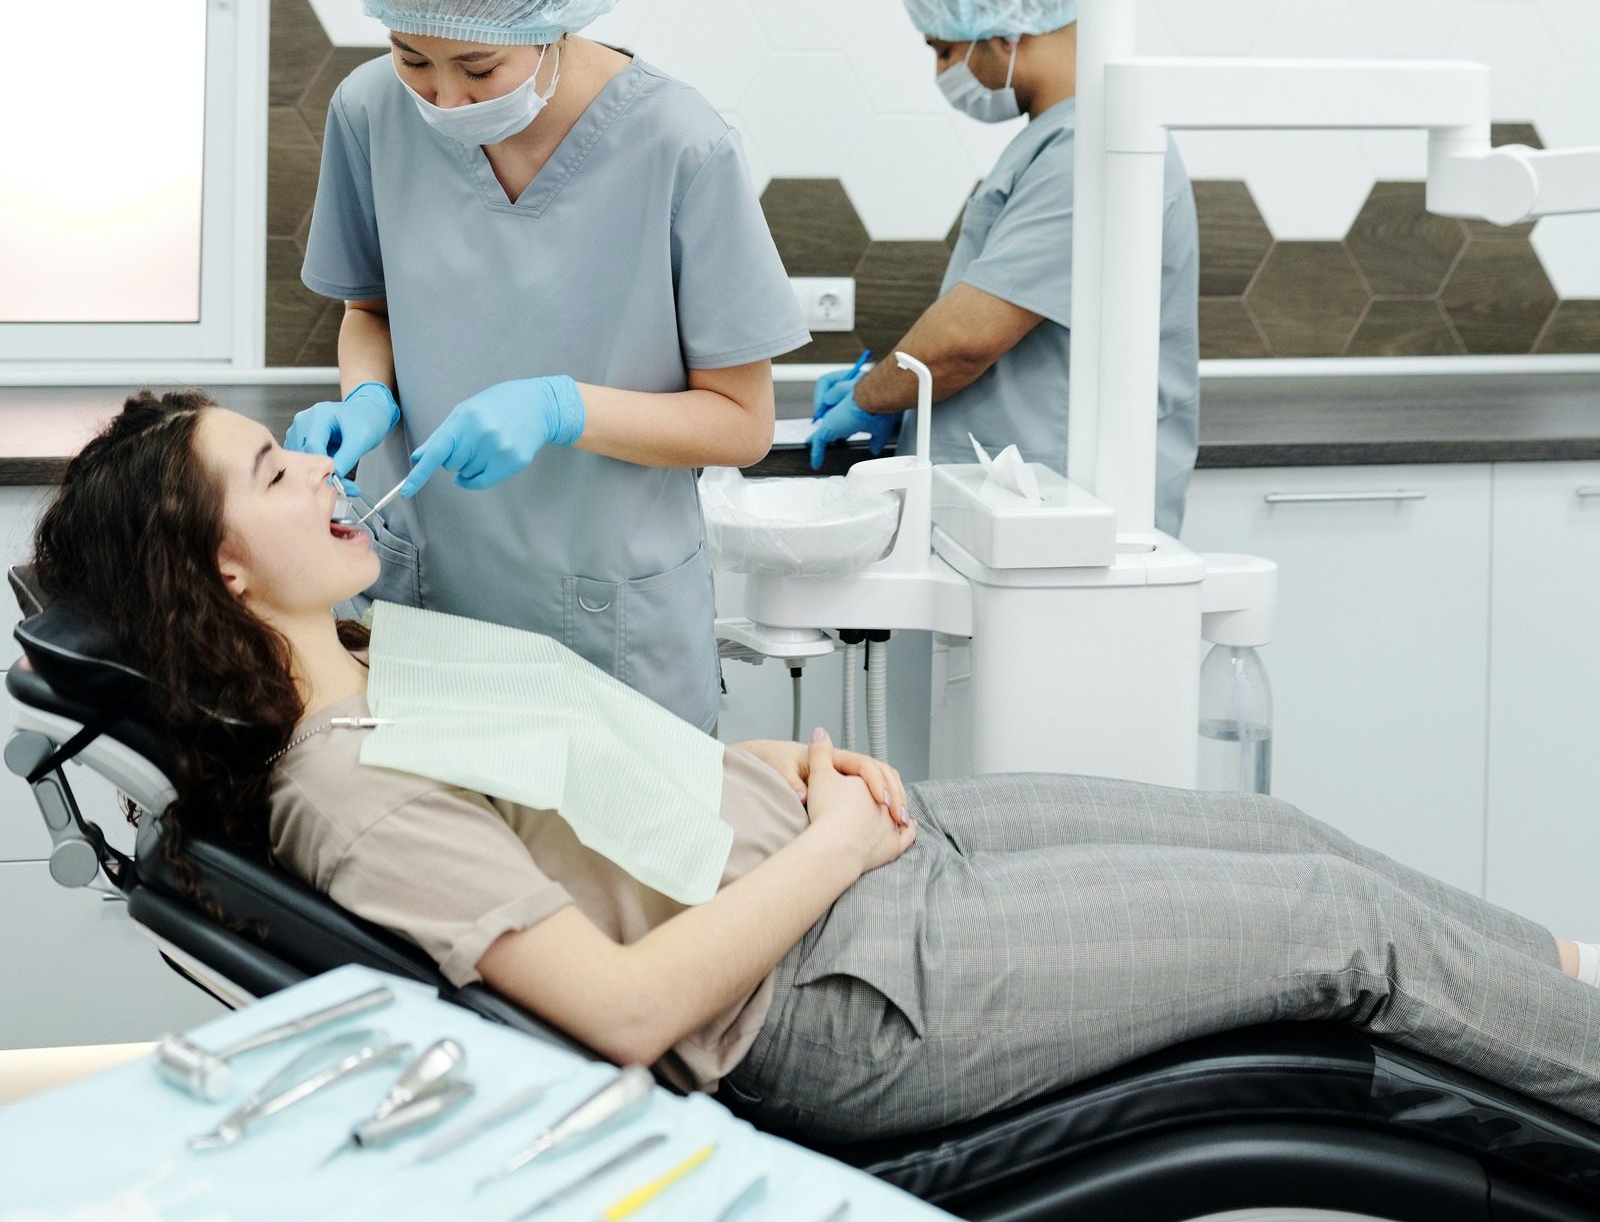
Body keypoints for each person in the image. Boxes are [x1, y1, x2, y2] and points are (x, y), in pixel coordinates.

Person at [31, 390, 1600, 1139]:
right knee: (1337, 930)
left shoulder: (372, 669)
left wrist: (776, 773)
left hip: (842, 854)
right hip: (843, 988)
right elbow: (636, 1011)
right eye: (275, 470)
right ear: (223, 576)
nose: (321, 469)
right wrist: (833, 851)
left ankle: (1562, 983)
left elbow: (580, 787)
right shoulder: (345, 794)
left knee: (1287, 842)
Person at [285, 0, 806, 730]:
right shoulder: (370, 111)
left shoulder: (680, 145)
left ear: (554, 20)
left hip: (608, 624)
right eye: (413, 56)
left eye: (480, 68)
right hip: (431, 601)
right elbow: (367, 309)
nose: (443, 98)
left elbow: (743, 424)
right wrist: (367, 395)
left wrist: (564, 409)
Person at [810, 0, 1200, 537]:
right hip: (1022, 504)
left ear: (1003, 31)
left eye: (944, 49)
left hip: (1060, 513)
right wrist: (893, 389)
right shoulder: (1056, 139)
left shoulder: (1090, 148)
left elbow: (966, 340)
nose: (943, 71)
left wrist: (873, 397)